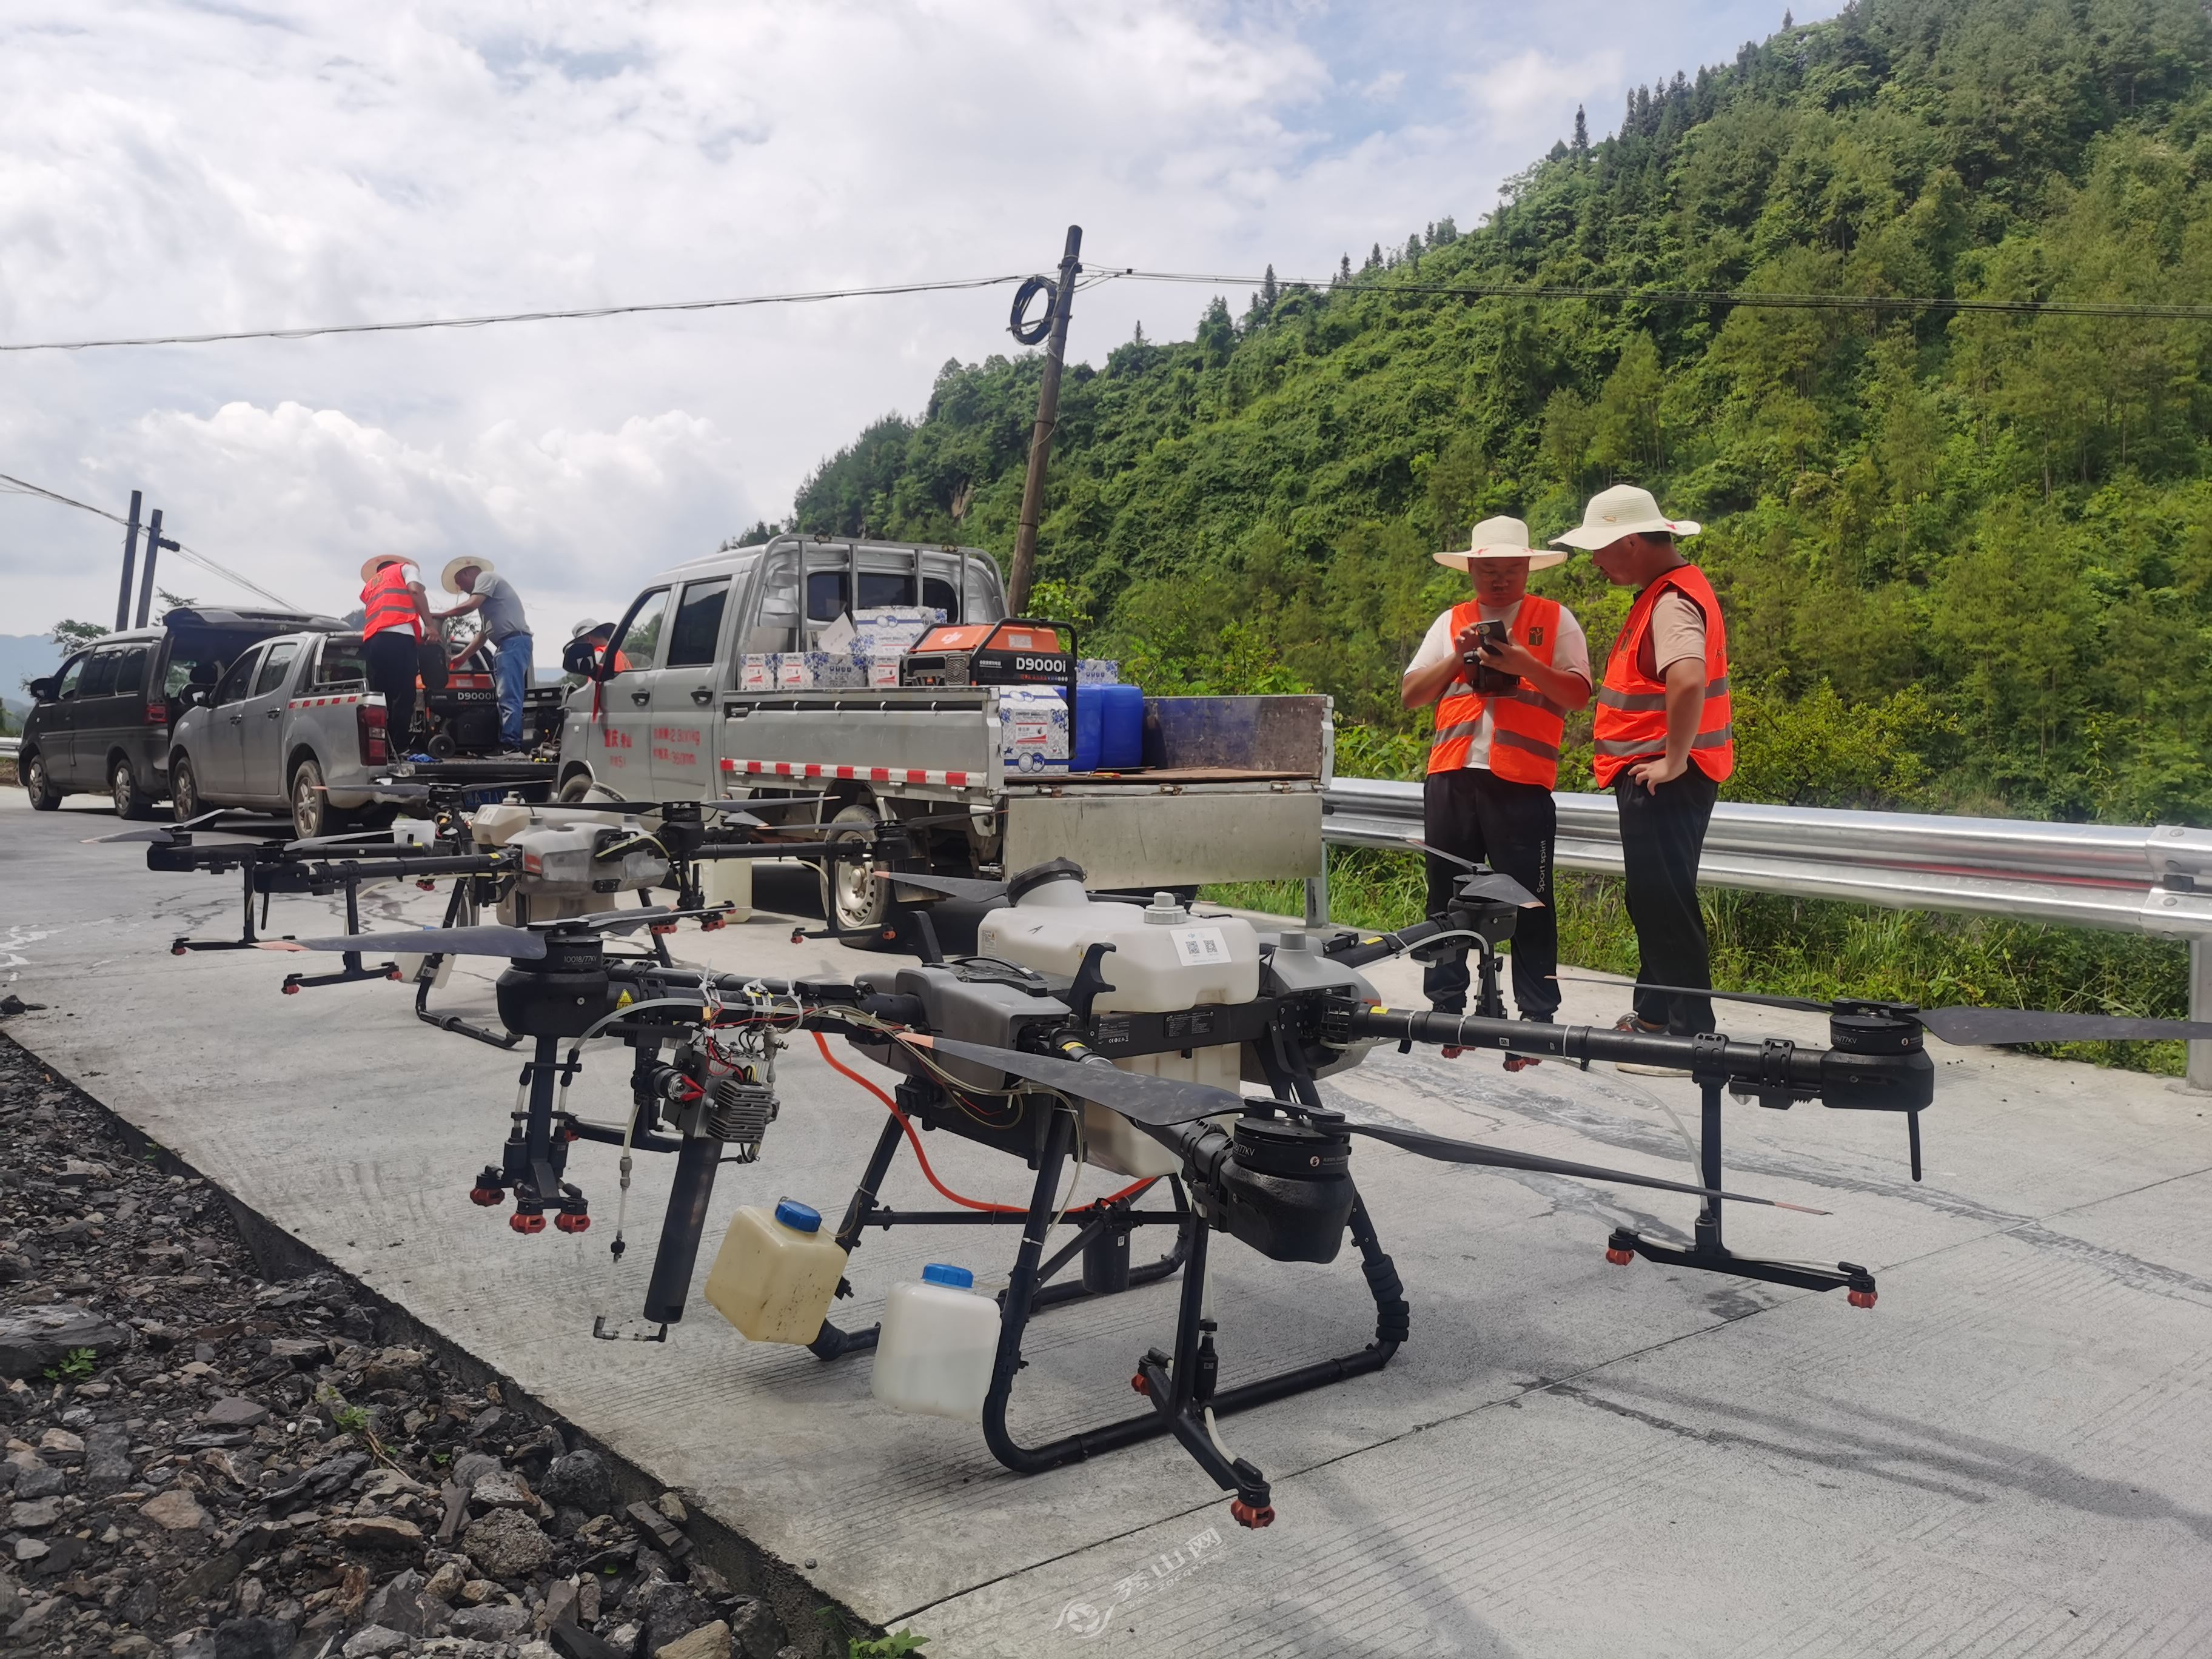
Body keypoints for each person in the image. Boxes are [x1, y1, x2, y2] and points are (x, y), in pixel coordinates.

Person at [1401, 516, 1592, 1065]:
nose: (1500, 579)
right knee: (1445, 898)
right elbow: (1412, 694)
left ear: (1528, 568)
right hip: (1452, 774)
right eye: (1489, 570)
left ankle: (1538, 1019)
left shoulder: (1555, 620)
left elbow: (1578, 694)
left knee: (1531, 901)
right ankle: (1446, 1011)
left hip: (1521, 783)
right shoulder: (1451, 621)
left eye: (1511, 569)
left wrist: (1524, 664)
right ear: (1471, 570)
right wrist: (1456, 659)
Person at [1553, 483, 1734, 1058]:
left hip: (1665, 776)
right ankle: (1656, 1018)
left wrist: (1674, 759)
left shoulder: (1671, 601)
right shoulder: (1667, 592)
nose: (1595, 563)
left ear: (1630, 542)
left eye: (1599, 550)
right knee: (1654, 899)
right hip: (1664, 775)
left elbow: (1688, 676)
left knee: (1663, 903)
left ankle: (1690, 1035)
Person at [438, 558, 534, 754]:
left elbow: (471, 604)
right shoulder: (489, 602)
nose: (461, 589)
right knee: (504, 696)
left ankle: (511, 746)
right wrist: (462, 657)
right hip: (507, 645)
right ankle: (505, 742)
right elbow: (483, 634)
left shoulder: (486, 578)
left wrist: (442, 616)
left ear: (467, 573)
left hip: (513, 643)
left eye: (460, 582)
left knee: (509, 696)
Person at [358, 555, 433, 745]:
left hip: (374, 640)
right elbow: (415, 591)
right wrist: (430, 625)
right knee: (404, 693)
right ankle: (399, 745)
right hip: (399, 635)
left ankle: (382, 744)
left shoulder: (371, 585)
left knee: (382, 694)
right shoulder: (405, 569)